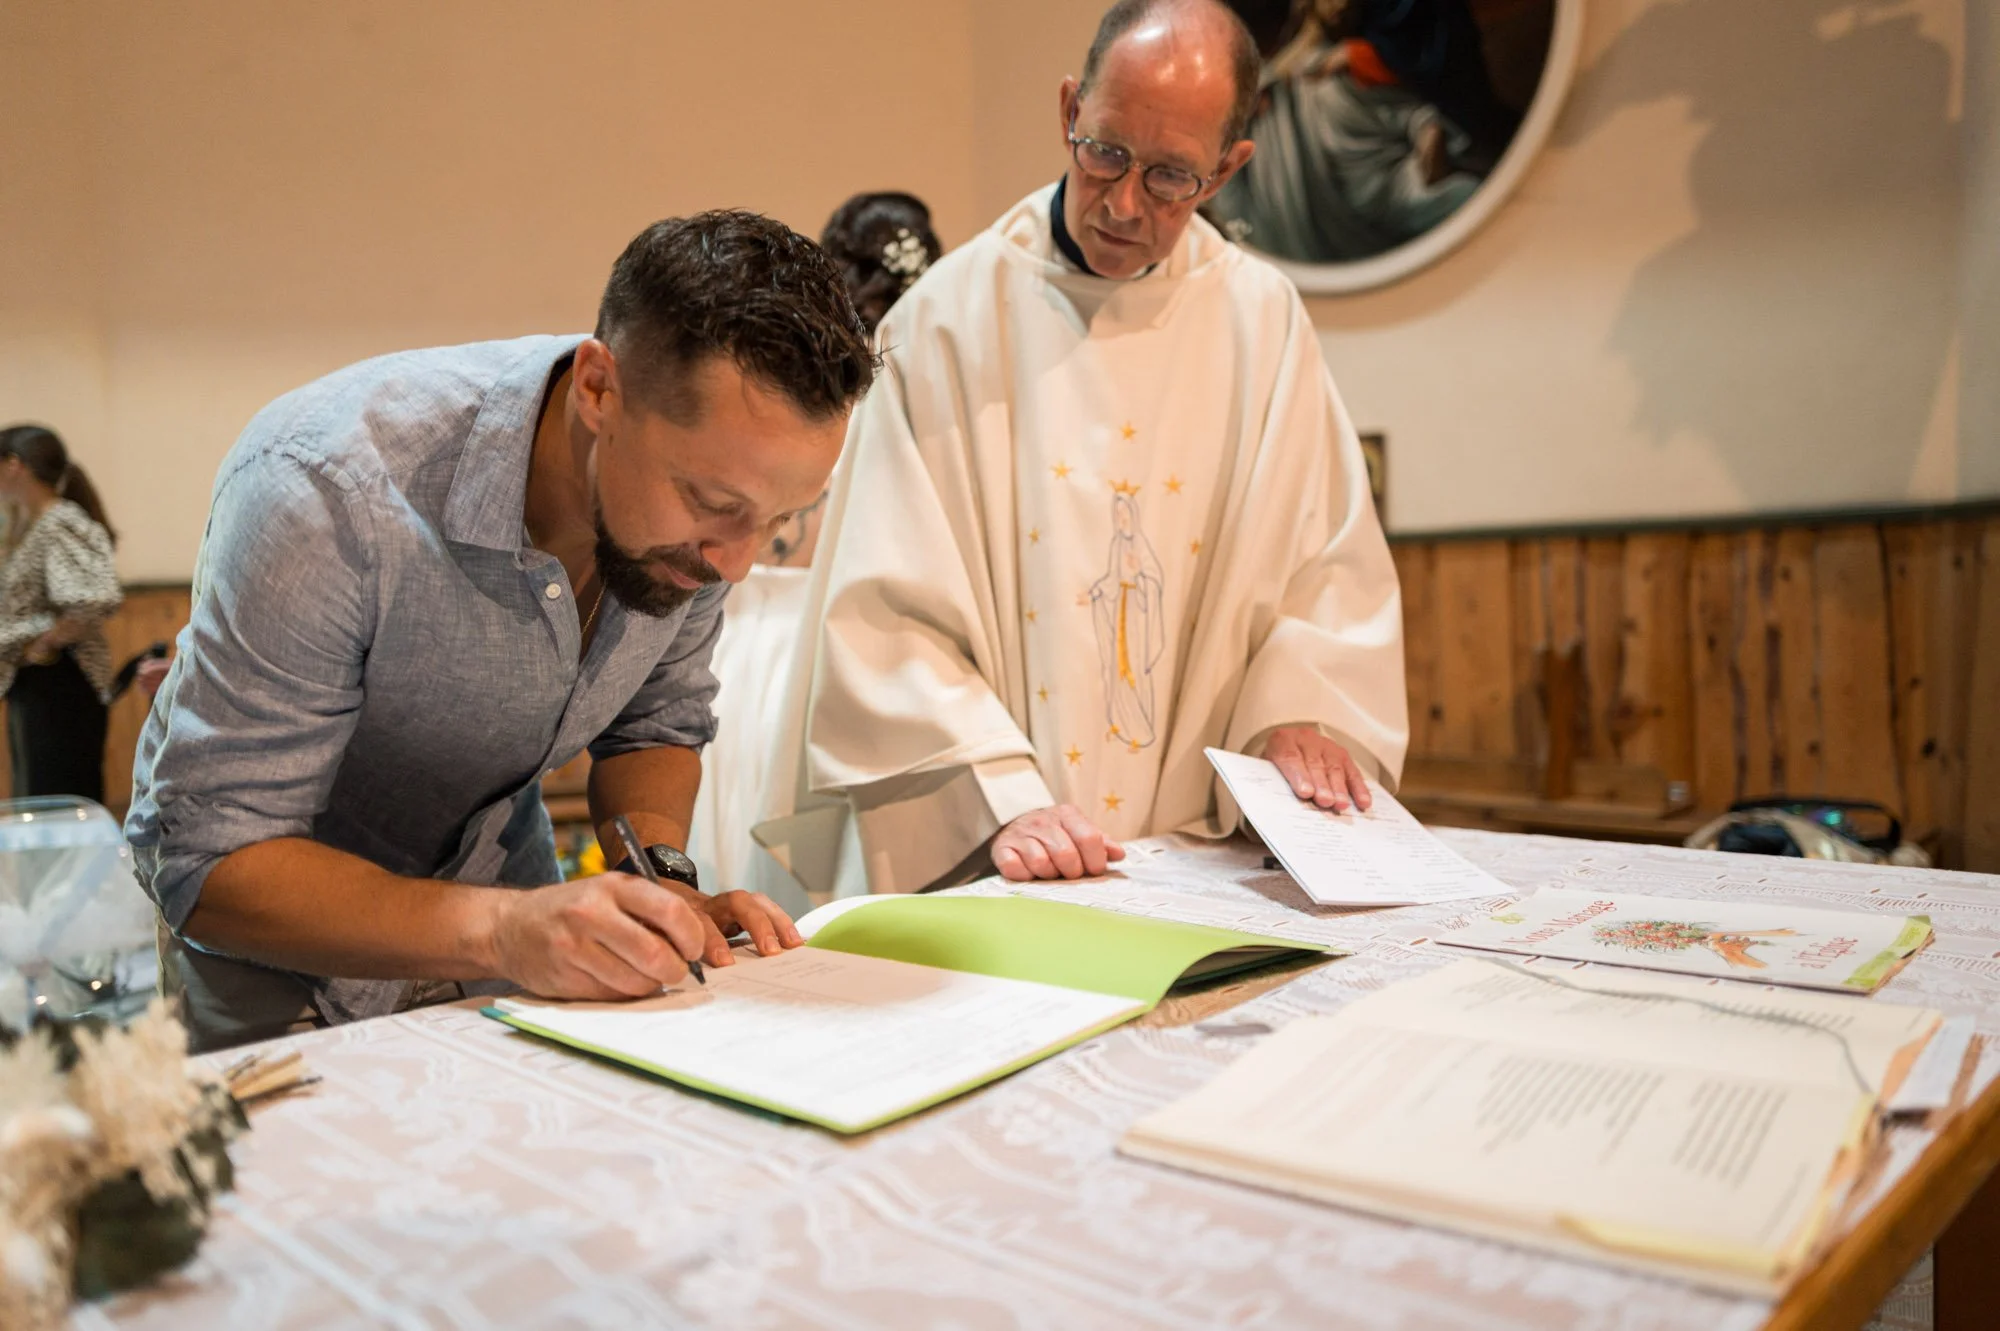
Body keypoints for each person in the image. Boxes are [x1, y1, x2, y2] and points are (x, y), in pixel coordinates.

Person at [125, 211, 879, 1051]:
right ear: (599, 390)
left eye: (777, 521)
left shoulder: (695, 528)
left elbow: (655, 723)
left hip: (500, 892)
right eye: (713, 505)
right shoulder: (324, 491)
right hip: (280, 938)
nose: (735, 562)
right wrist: (502, 928)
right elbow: (215, 859)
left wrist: (661, 881)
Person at [754, 0, 1408, 899]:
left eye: (1172, 176)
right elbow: (886, 613)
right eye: (1104, 151)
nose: (1125, 203)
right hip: (1011, 860)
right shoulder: (945, 323)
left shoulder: (1263, 323)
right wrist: (1004, 798)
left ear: (1229, 169)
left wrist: (1300, 714)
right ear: (1069, 109)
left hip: (1203, 861)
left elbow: (1324, 569)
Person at [685, 193, 943, 907]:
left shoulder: (790, 398)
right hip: (835, 653)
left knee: (731, 838)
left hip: (736, 655)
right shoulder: (915, 412)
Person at [0, 426, 123, 803]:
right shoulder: (36, 524)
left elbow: (94, 597)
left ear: (13, 466)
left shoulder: (59, 522)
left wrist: (45, 640)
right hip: (41, 684)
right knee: (42, 803)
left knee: (59, 807)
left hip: (59, 683)